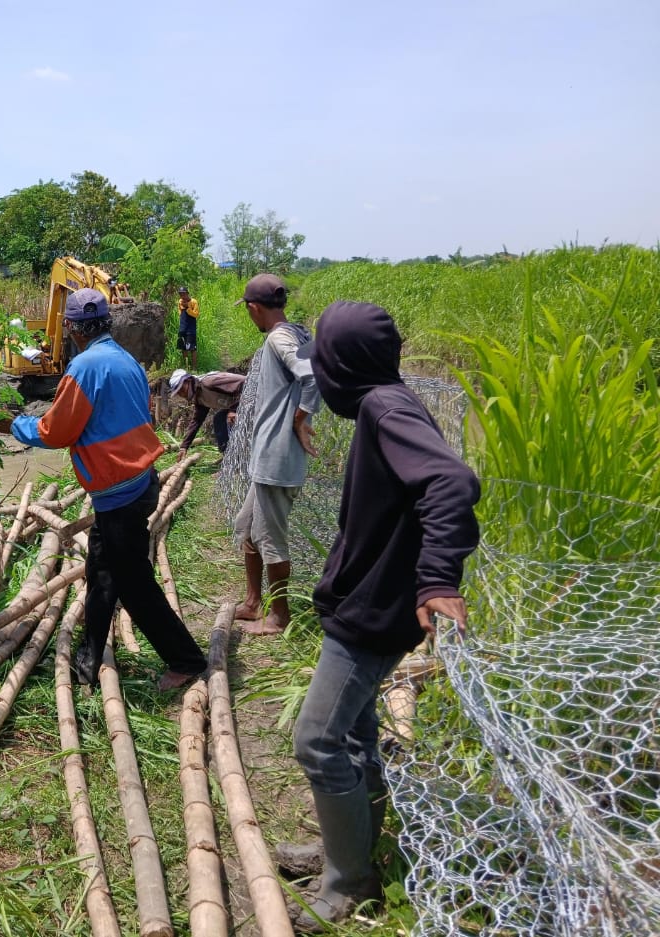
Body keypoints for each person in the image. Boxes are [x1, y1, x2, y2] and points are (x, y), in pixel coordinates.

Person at [288, 300, 480, 930]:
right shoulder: (389, 400)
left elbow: (451, 482)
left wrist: (438, 578)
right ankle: (347, 848)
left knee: (317, 740)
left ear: (342, 365)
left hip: (375, 613)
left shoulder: (384, 408)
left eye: (323, 361)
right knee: (354, 735)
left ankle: (349, 882)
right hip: (368, 600)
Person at [3, 288, 208, 692]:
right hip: (139, 481)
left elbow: (55, 431)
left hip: (119, 492)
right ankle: (90, 656)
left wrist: (12, 424)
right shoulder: (125, 360)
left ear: (71, 327)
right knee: (101, 570)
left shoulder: (84, 368)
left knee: (133, 583)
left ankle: (186, 660)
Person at [230, 273, 320, 636]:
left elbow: (311, 376)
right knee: (247, 527)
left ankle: (279, 616)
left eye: (247, 310)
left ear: (254, 308)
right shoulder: (297, 333)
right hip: (268, 455)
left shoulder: (279, 338)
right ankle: (253, 602)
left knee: (270, 538)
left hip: (277, 457)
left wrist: (300, 419)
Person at [167, 367, 246, 455]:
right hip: (241, 406)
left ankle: (236, 452)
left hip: (252, 398)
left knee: (221, 419)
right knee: (219, 419)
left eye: (182, 389)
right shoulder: (199, 397)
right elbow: (197, 421)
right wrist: (184, 446)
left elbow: (244, 383)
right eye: (179, 393)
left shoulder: (209, 382)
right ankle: (227, 454)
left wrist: (233, 410)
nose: (182, 394)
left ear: (188, 381)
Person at [175, 286, 199, 370]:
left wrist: (188, 307)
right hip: (183, 328)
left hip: (191, 328)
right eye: (180, 294)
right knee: (183, 348)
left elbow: (196, 314)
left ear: (187, 293)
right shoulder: (180, 302)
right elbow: (180, 313)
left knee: (192, 348)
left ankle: (194, 368)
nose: (182, 296)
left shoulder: (194, 302)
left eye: (184, 294)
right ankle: (186, 367)